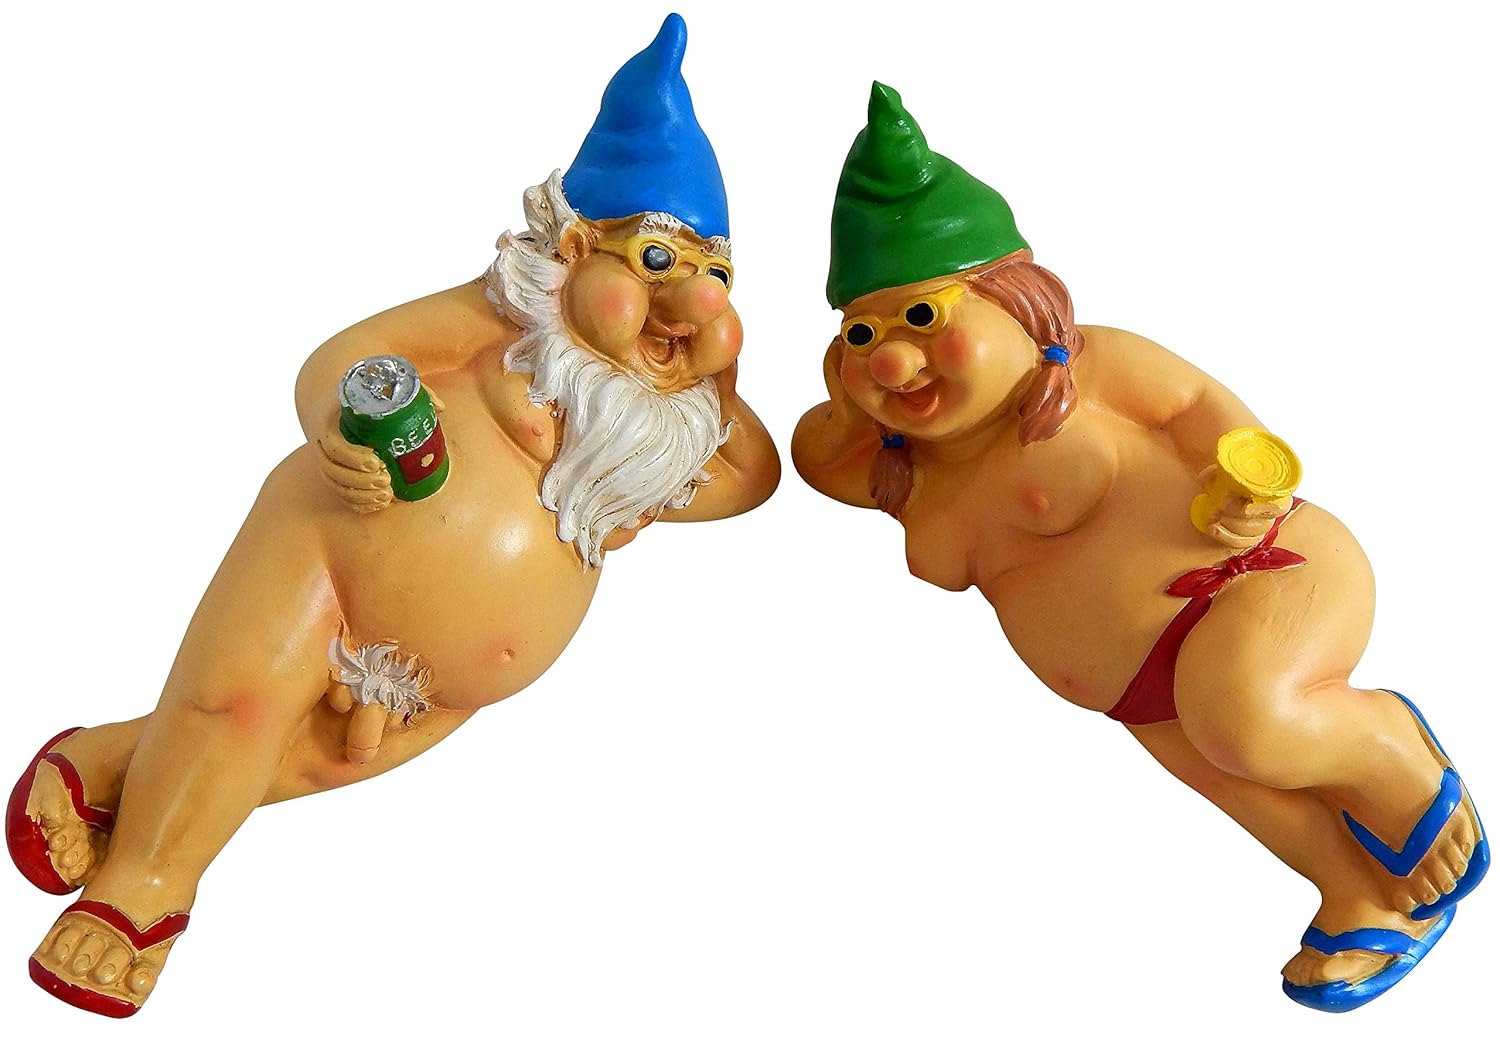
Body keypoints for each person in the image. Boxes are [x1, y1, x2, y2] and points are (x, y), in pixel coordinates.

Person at [6, 14, 779, 1018]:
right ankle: (140, 892)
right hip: (332, 550)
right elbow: (348, 358)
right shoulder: (501, 323)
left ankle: (109, 762)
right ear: (575, 248)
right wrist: (337, 426)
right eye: (661, 264)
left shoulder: (650, 433)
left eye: (718, 278)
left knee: (321, 752)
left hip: (430, 686)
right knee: (239, 707)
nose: (694, 305)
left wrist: (710, 381)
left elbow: (750, 476)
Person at [791, 82, 1487, 1014]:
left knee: (1247, 722)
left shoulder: (1093, 367)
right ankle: (1360, 895)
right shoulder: (899, 464)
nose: (890, 360)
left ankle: (1387, 752)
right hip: (1139, 697)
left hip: (1252, 581)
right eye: (860, 335)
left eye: (924, 319)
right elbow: (797, 450)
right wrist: (839, 387)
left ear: (1018, 304)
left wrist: (1245, 483)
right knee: (1245, 787)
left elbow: (1204, 411)